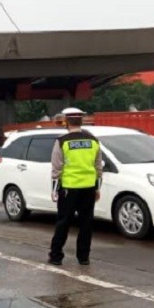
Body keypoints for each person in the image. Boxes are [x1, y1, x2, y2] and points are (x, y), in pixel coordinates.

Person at [48, 108, 103, 266]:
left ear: (66, 122)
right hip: (89, 188)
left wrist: (54, 190)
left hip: (68, 189)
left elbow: (56, 169)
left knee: (63, 222)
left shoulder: (62, 141)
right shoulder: (93, 140)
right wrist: (97, 188)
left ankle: (56, 256)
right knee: (86, 224)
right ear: (82, 121)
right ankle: (83, 257)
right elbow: (98, 167)